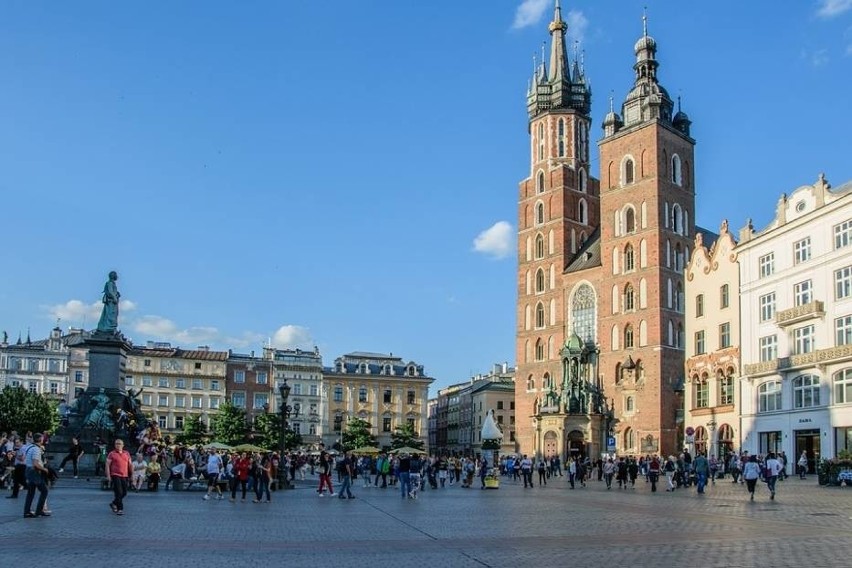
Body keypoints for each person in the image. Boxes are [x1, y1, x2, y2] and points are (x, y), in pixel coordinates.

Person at [23, 433, 50, 518]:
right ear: (40, 439)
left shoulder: (30, 447)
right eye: (43, 439)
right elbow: (35, 463)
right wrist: (44, 469)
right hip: (34, 471)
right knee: (44, 490)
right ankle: (39, 511)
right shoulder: (36, 449)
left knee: (31, 492)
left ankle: (27, 512)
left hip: (28, 470)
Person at [106, 439, 132, 515]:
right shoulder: (112, 454)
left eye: (120, 444)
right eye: (116, 444)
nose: (118, 445)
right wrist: (108, 476)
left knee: (124, 492)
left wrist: (132, 475)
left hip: (125, 475)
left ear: (123, 445)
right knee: (119, 492)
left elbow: (130, 465)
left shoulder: (126, 453)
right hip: (115, 474)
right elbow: (107, 465)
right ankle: (120, 509)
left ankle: (114, 503)